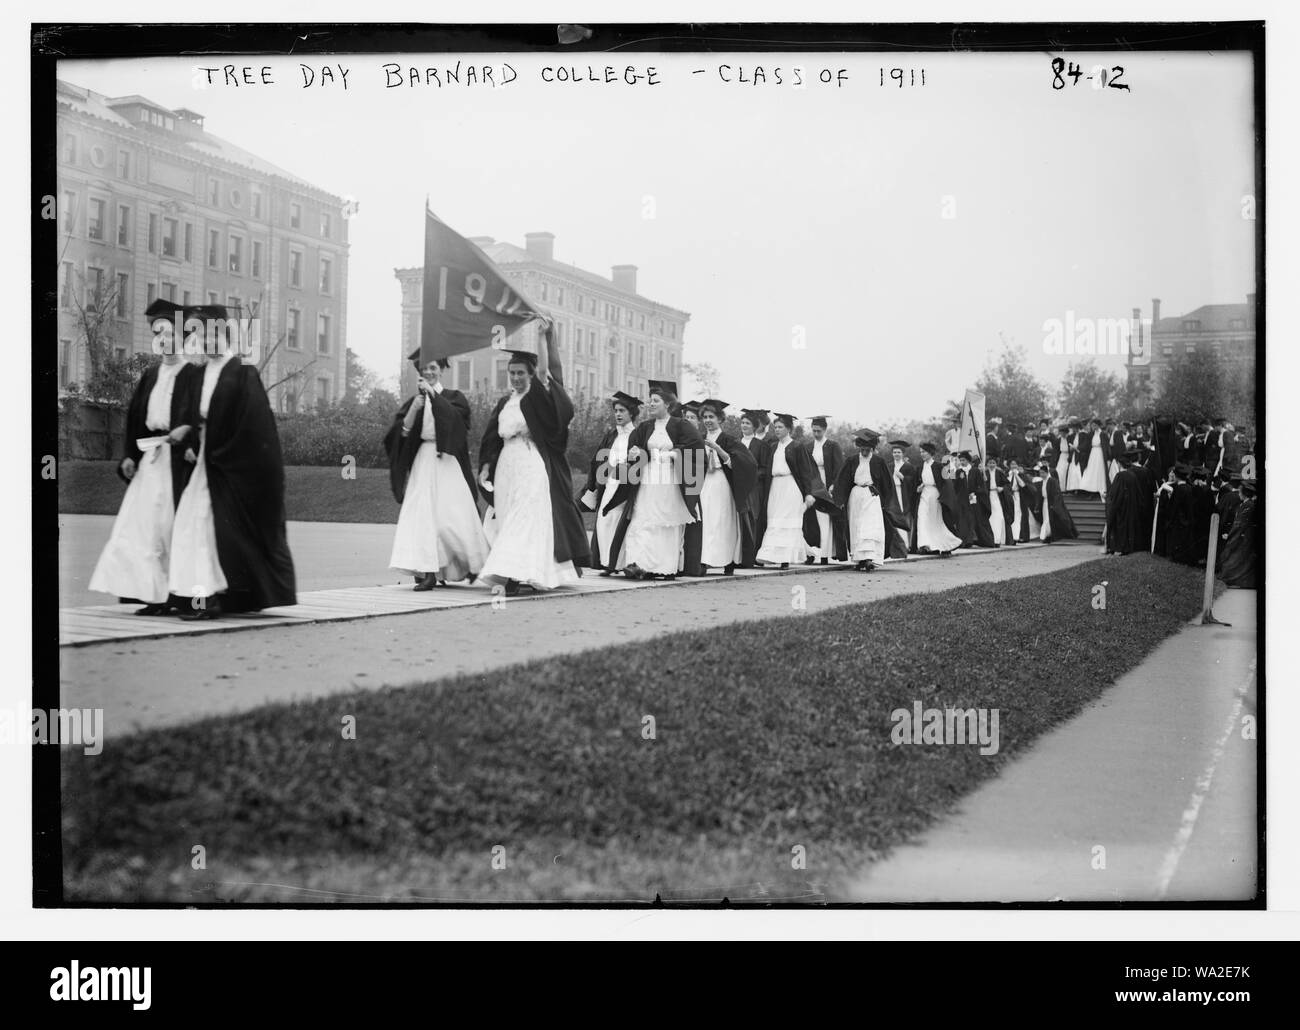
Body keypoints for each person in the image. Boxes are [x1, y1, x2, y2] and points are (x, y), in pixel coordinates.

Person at [168, 303, 296, 618]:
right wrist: (188, 433)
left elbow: (254, 426)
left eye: (211, 334)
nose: (206, 342)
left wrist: (217, 449)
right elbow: (193, 416)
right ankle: (201, 596)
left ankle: (211, 598)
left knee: (214, 531)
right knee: (194, 527)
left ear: (224, 335)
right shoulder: (197, 375)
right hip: (204, 465)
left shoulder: (242, 374)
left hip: (230, 466)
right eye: (199, 335)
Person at [88, 299, 199, 614]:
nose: (165, 340)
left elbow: (199, 416)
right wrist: (129, 456)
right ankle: (154, 595)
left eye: (170, 333)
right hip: (150, 461)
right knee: (143, 528)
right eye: (158, 334)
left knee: (172, 528)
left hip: (177, 464)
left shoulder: (192, 374)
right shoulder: (150, 376)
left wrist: (190, 435)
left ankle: (179, 596)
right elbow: (136, 417)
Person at [478, 326, 590, 595]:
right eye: (512, 373)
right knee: (507, 517)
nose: (516, 378)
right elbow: (492, 436)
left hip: (530, 463)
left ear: (530, 375)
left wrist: (542, 337)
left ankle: (513, 575)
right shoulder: (506, 402)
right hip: (506, 465)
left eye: (521, 373)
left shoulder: (536, 398)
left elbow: (544, 372)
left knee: (524, 517)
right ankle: (520, 569)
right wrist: (484, 466)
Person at [384, 350, 488, 589]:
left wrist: (433, 397)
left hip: (447, 463)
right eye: (424, 370)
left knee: (449, 518)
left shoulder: (454, 398)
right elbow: (399, 435)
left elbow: (457, 426)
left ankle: (461, 565)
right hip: (424, 461)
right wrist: (413, 410)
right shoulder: (415, 402)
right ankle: (426, 570)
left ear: (441, 369)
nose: (429, 372)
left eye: (433, 368)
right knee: (421, 517)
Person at [612, 380, 706, 580]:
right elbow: (635, 449)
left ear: (668, 404)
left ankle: (665, 567)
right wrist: (635, 453)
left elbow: (695, 448)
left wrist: (674, 454)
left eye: (656, 400)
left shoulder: (682, 425)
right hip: (648, 479)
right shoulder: (645, 427)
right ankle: (639, 564)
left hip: (669, 480)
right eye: (650, 400)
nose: (651, 404)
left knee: (665, 522)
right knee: (642, 519)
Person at [695, 398, 758, 574]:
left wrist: (719, 450)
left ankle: (727, 560)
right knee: (706, 521)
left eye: (711, 417)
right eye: (705, 417)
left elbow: (747, 464)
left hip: (723, 484)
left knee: (722, 521)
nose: (708, 420)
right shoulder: (699, 439)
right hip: (706, 484)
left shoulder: (729, 440)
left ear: (720, 419)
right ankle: (704, 560)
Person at [581, 390, 641, 575]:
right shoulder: (611, 435)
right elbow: (597, 460)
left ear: (631, 413)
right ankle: (607, 562)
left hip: (627, 486)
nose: (618, 414)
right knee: (604, 520)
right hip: (609, 483)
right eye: (616, 411)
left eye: (622, 411)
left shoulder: (638, 434)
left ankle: (621, 562)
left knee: (620, 521)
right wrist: (593, 485)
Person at [756, 413, 816, 569]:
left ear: (788, 429)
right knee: (774, 520)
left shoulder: (797, 446)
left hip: (791, 486)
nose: (777, 430)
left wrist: (808, 492)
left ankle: (785, 558)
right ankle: (771, 555)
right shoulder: (773, 447)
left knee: (787, 521)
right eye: (775, 427)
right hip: (775, 486)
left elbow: (805, 471)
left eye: (780, 427)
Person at [832, 433, 895, 571]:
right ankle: (859, 559)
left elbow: (887, 483)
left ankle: (869, 558)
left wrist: (886, 501)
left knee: (870, 527)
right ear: (859, 447)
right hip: (855, 496)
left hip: (871, 496)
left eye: (868, 449)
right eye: (862, 449)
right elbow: (842, 480)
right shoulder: (851, 461)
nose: (865, 452)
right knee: (856, 527)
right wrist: (840, 498)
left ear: (872, 448)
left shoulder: (879, 461)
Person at [801, 416, 846, 564]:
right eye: (813, 430)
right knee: (810, 521)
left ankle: (825, 554)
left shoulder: (833, 446)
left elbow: (839, 468)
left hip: (826, 486)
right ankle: (811, 552)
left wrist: (834, 485)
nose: (816, 434)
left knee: (825, 520)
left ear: (825, 430)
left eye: (818, 431)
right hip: (812, 485)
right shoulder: (807, 447)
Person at [914, 442, 962, 556]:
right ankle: (924, 545)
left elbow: (950, 480)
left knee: (935, 521)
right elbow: (920, 480)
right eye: (921, 452)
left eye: (924, 452)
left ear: (930, 453)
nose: (922, 454)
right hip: (924, 494)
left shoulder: (939, 466)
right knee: (922, 517)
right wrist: (920, 486)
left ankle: (941, 544)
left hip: (935, 495)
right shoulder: (920, 467)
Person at [740, 408, 775, 557]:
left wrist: (751, 476)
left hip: (754, 488)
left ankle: (752, 554)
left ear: (754, 426)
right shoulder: (735, 442)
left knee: (754, 518)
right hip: (738, 486)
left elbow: (764, 468)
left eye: (747, 423)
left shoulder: (761, 446)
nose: (744, 425)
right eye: (742, 423)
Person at [1217, 478, 1256, 587]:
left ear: (1245, 493)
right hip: (1241, 537)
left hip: (1242, 539)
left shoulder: (1248, 506)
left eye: (1240, 492)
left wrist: (1228, 536)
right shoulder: (1244, 505)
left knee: (1233, 561)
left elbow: (1239, 526)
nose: (1238, 494)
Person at [1104, 450, 1146, 555]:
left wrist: (1107, 496)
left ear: (1119, 464)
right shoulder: (1132, 475)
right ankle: (1127, 548)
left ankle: (1119, 547)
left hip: (1121, 508)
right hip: (1131, 507)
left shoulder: (1119, 476)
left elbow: (1114, 494)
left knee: (1120, 527)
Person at [1031, 459, 1078, 543]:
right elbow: (1040, 495)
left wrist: (1054, 504)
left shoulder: (1052, 481)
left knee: (1048, 520)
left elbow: (1057, 494)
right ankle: (1048, 536)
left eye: (1043, 473)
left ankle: (1046, 536)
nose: (1041, 475)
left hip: (1051, 504)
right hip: (1044, 504)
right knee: (1046, 519)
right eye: (1040, 473)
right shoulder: (1041, 482)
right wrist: (1037, 505)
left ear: (1047, 472)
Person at [888, 440, 920, 553]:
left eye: (899, 452)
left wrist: (903, 478)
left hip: (903, 494)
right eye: (895, 452)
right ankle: (896, 544)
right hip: (893, 493)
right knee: (894, 516)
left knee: (904, 516)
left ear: (903, 454)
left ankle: (907, 544)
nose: (896, 454)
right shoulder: (890, 466)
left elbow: (913, 482)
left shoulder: (908, 467)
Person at [1079, 416, 1109, 498]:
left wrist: (1108, 457)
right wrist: (1078, 448)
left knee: (1099, 471)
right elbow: (1086, 445)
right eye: (1092, 425)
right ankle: (1091, 490)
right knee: (1091, 471)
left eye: (1095, 425)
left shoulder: (1103, 434)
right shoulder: (1090, 434)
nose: (1093, 427)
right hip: (1092, 454)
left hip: (1100, 454)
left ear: (1098, 425)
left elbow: (1106, 446)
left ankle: (1099, 490)